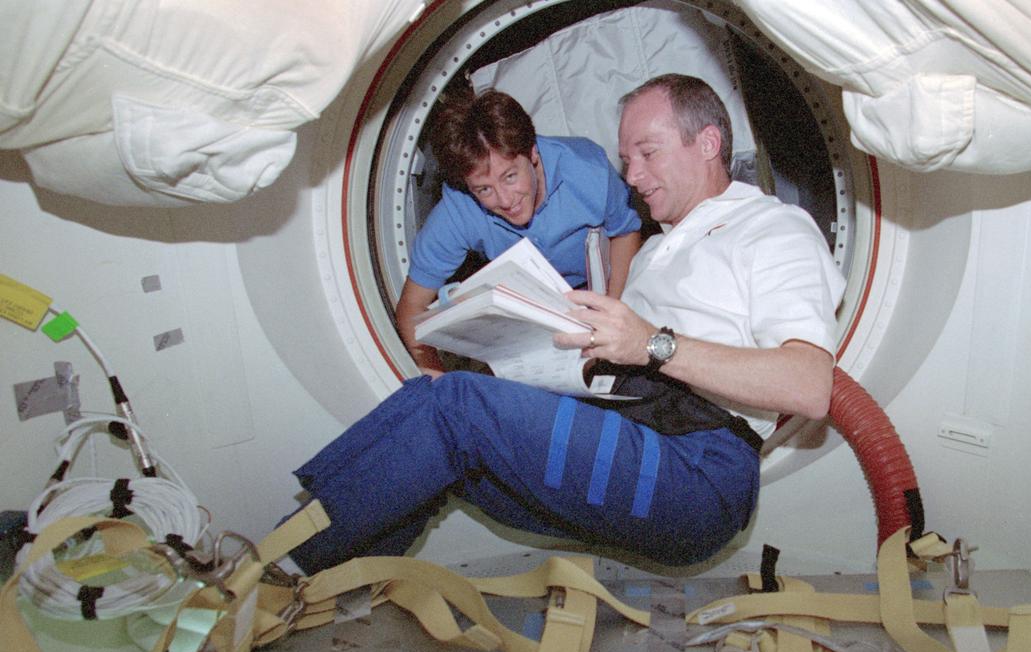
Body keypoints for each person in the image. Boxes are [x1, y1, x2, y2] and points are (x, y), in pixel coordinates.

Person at [283, 74, 844, 574]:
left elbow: (809, 386)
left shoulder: (772, 228)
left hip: (697, 471)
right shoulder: (654, 253)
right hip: (628, 426)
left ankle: (279, 568)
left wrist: (650, 343)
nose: (632, 175)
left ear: (709, 143)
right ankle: (321, 588)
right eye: (626, 159)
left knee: (457, 406)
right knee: (423, 452)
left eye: (647, 153)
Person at [397, 88, 643, 371]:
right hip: (526, 315)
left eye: (510, 176)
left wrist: (610, 313)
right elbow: (411, 307)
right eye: (484, 189)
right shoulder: (459, 208)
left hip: (598, 290)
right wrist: (436, 376)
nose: (504, 200)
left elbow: (625, 231)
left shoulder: (586, 168)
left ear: (533, 153)